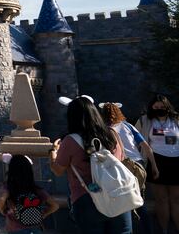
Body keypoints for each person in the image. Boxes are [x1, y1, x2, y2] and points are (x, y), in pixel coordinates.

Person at [49, 96, 132, 234]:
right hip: (118, 194)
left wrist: (53, 152)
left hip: (87, 198)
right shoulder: (111, 134)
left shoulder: (70, 140)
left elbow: (58, 170)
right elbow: (121, 158)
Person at [100, 102, 157, 234]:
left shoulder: (102, 130)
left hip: (118, 166)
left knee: (122, 202)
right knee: (139, 201)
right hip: (136, 165)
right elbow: (145, 146)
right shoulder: (128, 126)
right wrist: (153, 165)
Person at [137, 94, 179, 234]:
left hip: (176, 161)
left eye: (162, 107)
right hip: (156, 162)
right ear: (151, 107)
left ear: (167, 107)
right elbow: (134, 139)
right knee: (160, 200)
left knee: (176, 199)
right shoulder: (145, 120)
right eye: (156, 107)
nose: (159, 109)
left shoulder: (176, 120)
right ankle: (164, 230)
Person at [0, 154, 59, 234]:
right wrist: (43, 214)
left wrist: (3, 210)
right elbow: (55, 205)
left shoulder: (8, 187)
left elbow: (1, 199)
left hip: (16, 230)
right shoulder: (35, 189)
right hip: (36, 229)